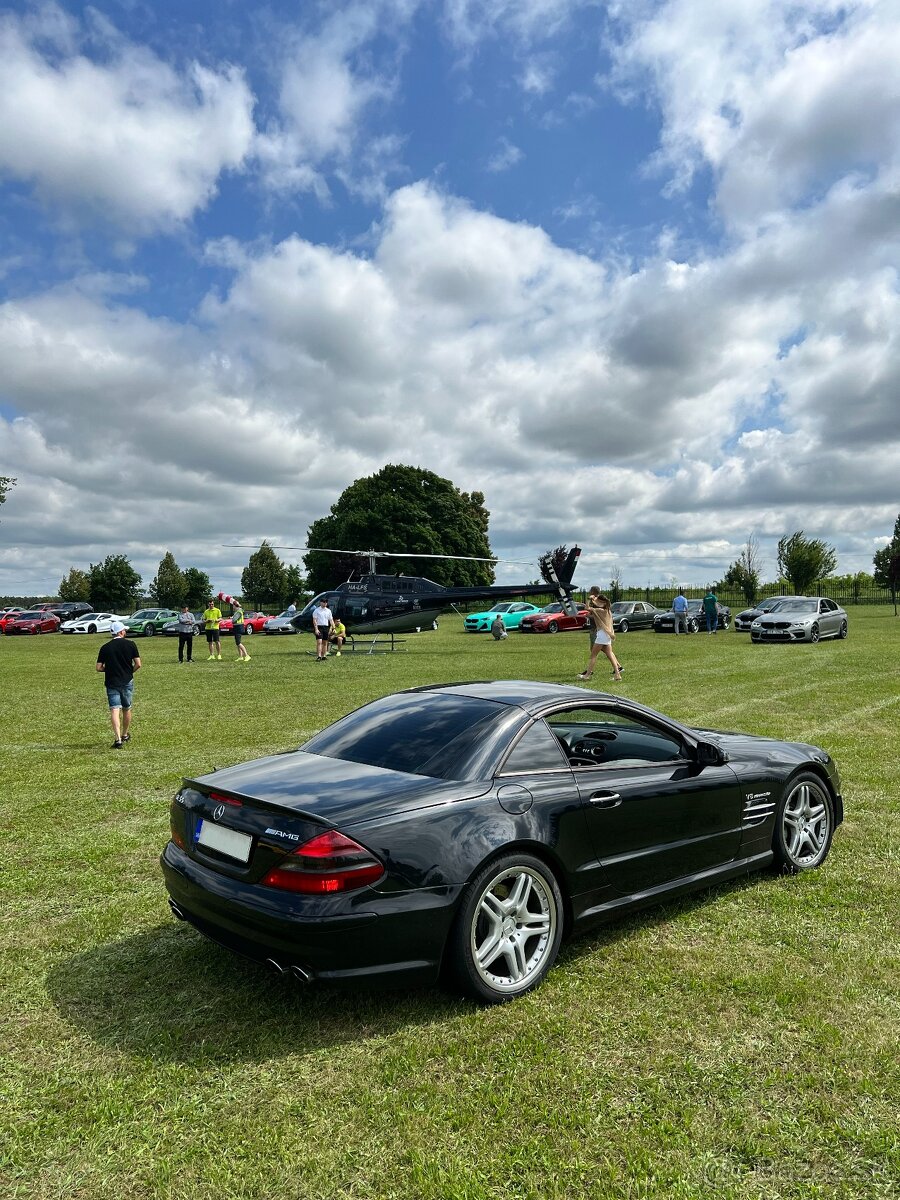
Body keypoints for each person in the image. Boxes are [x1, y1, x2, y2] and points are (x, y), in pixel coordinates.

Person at [96, 621, 141, 748]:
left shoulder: (105, 647)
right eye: (124, 630)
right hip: (127, 681)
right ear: (120, 632)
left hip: (111, 682)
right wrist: (129, 671)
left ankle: (117, 739)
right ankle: (125, 734)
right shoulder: (131, 644)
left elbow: (99, 667)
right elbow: (138, 664)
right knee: (127, 708)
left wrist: (109, 669)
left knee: (114, 709)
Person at [579, 587, 623, 682]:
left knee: (593, 655)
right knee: (610, 654)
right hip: (607, 634)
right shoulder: (607, 610)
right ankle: (617, 674)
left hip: (602, 634)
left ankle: (587, 675)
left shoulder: (600, 610)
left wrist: (589, 599)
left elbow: (586, 608)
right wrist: (594, 600)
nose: (596, 603)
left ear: (602, 603)